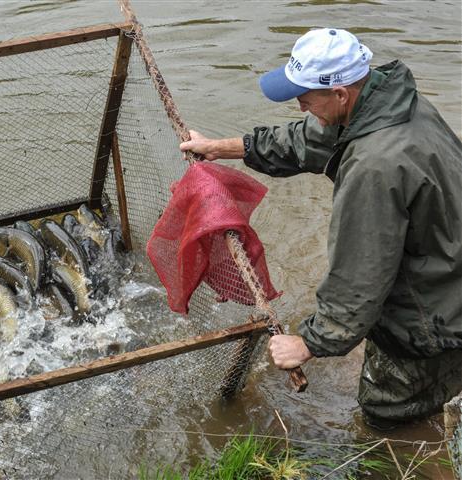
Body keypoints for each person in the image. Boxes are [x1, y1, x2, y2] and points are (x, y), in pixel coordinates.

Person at [180, 28, 462, 428]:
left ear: (341, 94)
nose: (299, 106)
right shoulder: (395, 104)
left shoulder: (374, 167)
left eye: (306, 96)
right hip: (450, 272)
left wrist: (309, 343)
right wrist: (224, 147)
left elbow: (360, 275)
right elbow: (311, 139)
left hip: (435, 313)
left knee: (388, 412)